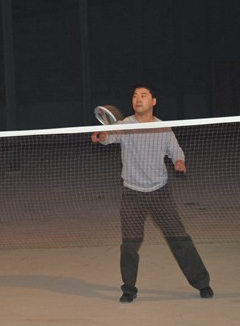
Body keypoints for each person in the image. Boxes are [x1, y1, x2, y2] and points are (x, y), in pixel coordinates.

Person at [91, 83, 213, 303]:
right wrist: (100, 135)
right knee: (129, 245)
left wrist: (179, 161)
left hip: (160, 194)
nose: (138, 99)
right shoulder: (125, 125)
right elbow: (107, 138)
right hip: (132, 194)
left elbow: (176, 150)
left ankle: (202, 283)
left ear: (153, 101)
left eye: (143, 95)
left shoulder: (162, 128)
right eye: (135, 96)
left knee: (179, 239)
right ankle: (129, 289)